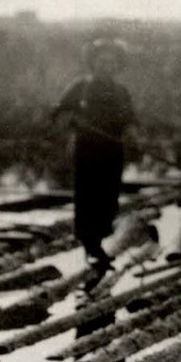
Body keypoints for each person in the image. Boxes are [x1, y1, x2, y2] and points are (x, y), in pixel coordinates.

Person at [52, 38, 137, 271]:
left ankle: (100, 240)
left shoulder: (121, 91)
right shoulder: (80, 87)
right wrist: (69, 118)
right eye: (101, 61)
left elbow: (130, 119)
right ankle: (90, 246)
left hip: (113, 150)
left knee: (109, 197)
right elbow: (60, 113)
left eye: (111, 62)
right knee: (87, 196)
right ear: (93, 63)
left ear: (117, 65)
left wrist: (131, 134)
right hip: (87, 149)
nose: (106, 65)